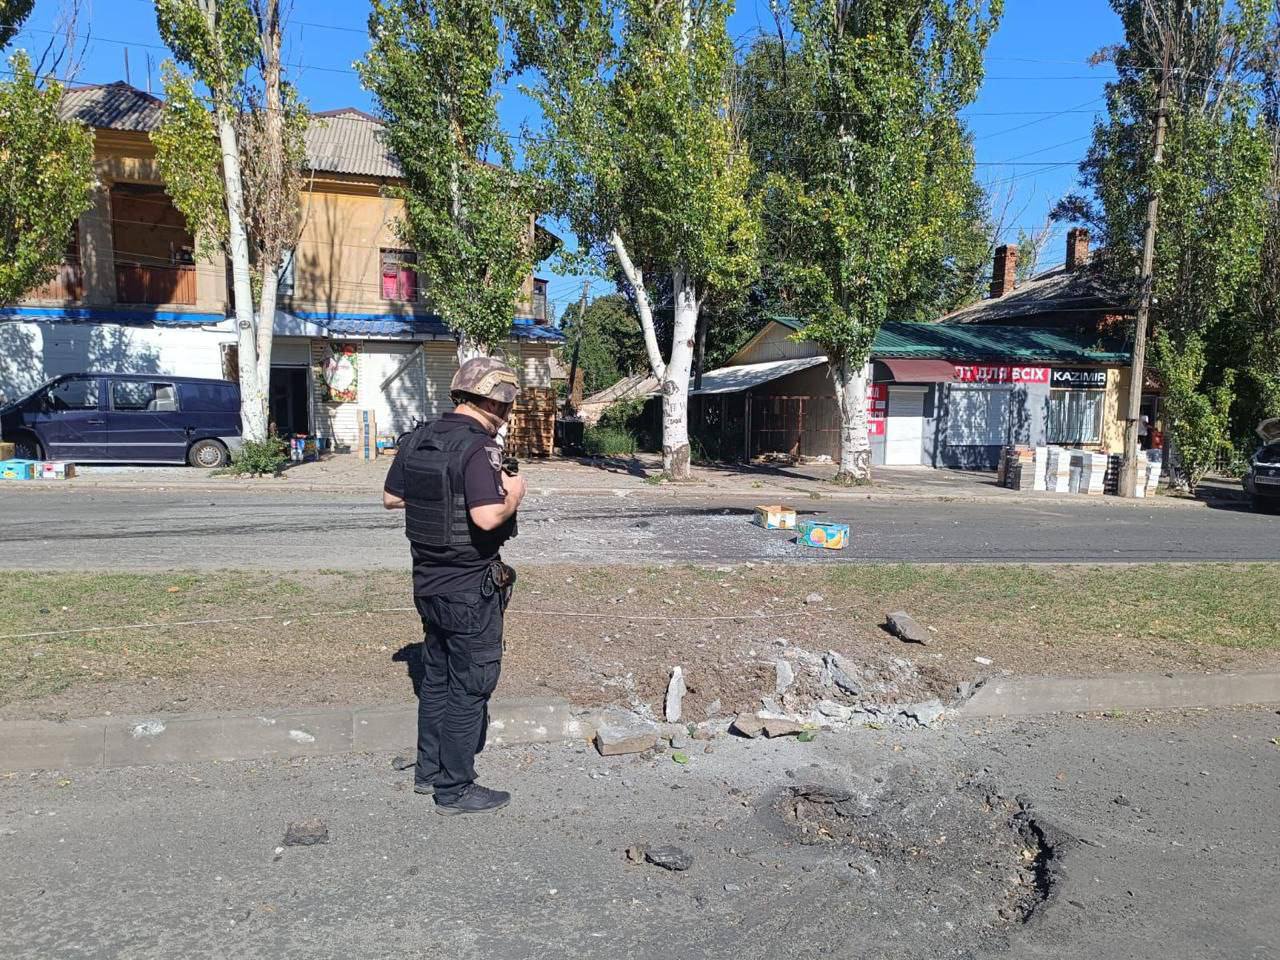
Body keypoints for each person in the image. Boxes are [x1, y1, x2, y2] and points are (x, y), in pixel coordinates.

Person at [382, 357, 527, 816]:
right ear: (495, 403)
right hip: (470, 588)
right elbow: (486, 517)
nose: (506, 415)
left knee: (438, 679)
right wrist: (515, 494)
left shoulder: (419, 439)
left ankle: (430, 772)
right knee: (470, 686)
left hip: (427, 583)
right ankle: (455, 788)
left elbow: (391, 497)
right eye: (506, 406)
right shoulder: (478, 449)